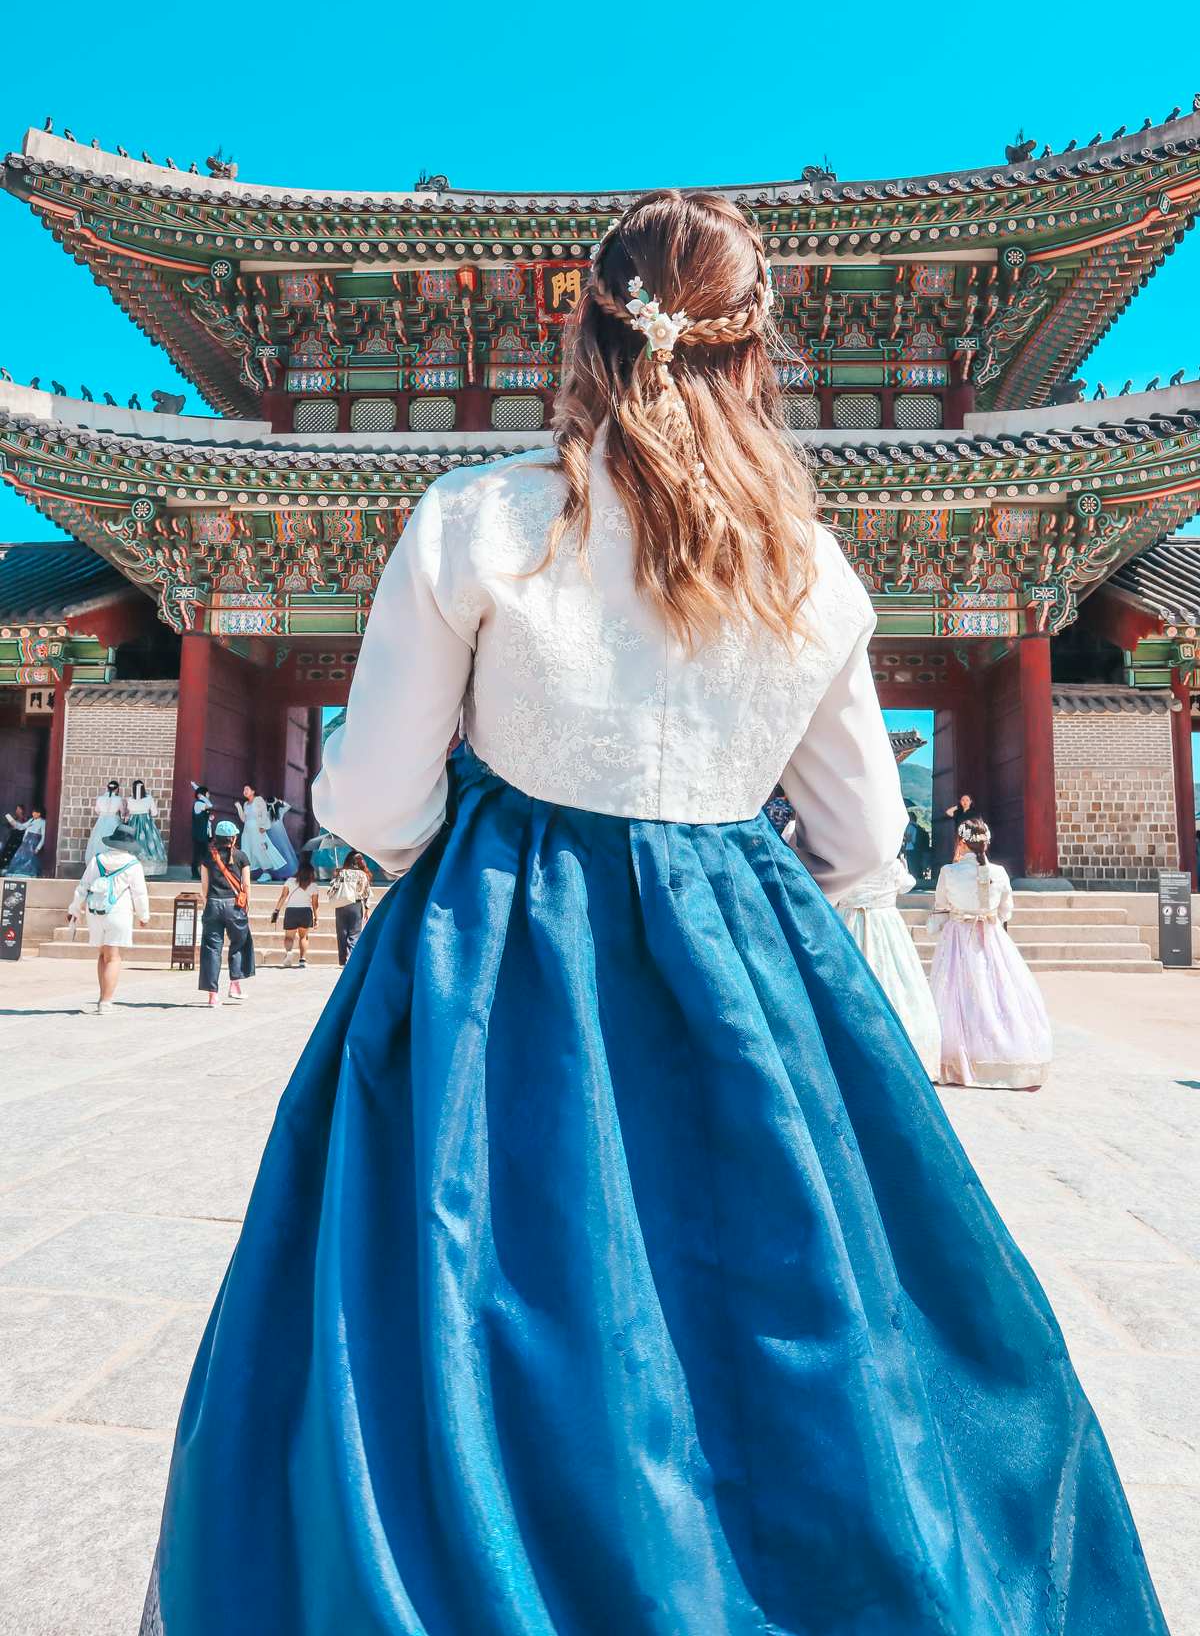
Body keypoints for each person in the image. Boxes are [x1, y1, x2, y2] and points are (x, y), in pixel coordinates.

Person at [141, 191, 1165, 1635]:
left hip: (492, 974)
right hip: (745, 979)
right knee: (792, 1327)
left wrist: (483, 846)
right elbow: (868, 838)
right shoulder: (813, 570)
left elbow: (368, 802)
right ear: (758, 355)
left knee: (453, 1316)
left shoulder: (477, 523)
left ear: (585, 332)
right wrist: (729, 892)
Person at [928, 816, 1054, 1091]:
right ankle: (1002, 1055)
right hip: (991, 935)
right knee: (999, 993)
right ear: (987, 842)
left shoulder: (949, 872)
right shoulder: (999, 872)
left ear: (961, 842)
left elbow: (940, 906)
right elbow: (1006, 911)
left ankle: (956, 1058)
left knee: (956, 995)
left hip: (959, 937)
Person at [837, 856, 941, 1079]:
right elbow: (907, 884)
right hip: (885, 924)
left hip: (849, 922)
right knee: (897, 983)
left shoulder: (846, 861)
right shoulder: (890, 864)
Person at [66, 823, 151, 1014]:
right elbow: (140, 894)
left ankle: (101, 997)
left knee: (103, 955)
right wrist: (143, 915)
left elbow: (83, 887)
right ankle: (106, 1001)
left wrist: (74, 909)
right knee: (113, 957)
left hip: (95, 911)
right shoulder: (133, 864)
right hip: (119, 911)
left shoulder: (98, 860)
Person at [198, 819, 255, 1009]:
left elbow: (204, 887)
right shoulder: (241, 857)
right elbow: (246, 885)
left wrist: (207, 904)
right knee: (240, 943)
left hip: (213, 904)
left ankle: (213, 996)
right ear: (234, 838)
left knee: (211, 950)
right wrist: (247, 905)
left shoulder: (207, 857)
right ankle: (235, 984)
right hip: (234, 906)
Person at [326, 849, 372, 964]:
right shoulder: (362, 874)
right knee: (355, 932)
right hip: (355, 905)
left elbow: (331, 889)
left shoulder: (342, 872)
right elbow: (366, 892)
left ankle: (342, 960)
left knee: (342, 933)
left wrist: (335, 875)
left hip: (341, 904)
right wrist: (367, 908)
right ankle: (351, 960)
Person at [271, 860, 320, 967]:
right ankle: (302, 960)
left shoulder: (290, 881)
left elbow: (283, 896)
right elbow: (315, 904)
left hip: (291, 911)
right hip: (306, 912)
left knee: (289, 937)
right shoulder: (313, 885)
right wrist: (316, 918)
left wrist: (276, 910)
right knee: (303, 937)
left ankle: (289, 953)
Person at [236, 783, 285, 882]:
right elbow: (243, 819)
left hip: (257, 830)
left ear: (253, 791)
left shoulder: (258, 800)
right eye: (244, 790)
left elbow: (264, 813)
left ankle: (266, 873)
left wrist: (264, 826)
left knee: (260, 850)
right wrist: (238, 807)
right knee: (246, 850)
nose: (245, 791)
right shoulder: (245, 804)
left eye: (247, 789)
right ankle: (245, 874)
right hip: (247, 831)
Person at [126, 778, 168, 878]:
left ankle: (130, 866)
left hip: (133, 823)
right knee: (149, 842)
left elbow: (128, 813)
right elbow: (154, 812)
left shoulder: (129, 799)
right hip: (146, 823)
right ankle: (149, 868)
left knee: (131, 842)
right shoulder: (148, 798)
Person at [83, 780, 124, 863]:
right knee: (113, 842)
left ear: (107, 788)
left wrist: (104, 813)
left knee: (97, 840)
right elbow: (122, 812)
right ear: (116, 789)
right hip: (113, 821)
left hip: (101, 821)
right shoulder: (118, 799)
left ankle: (96, 862)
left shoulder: (100, 798)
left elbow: (97, 810)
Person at [3, 805, 46, 876]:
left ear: (40, 813)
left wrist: (38, 848)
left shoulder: (43, 822)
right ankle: (18, 873)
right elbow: (21, 827)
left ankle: (30, 874)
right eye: (33, 812)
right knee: (19, 857)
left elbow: (43, 836)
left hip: (33, 843)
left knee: (31, 861)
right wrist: (11, 820)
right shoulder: (31, 820)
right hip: (26, 843)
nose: (33, 814)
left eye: (36, 812)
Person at [265, 795, 300, 879]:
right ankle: (286, 873)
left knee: (272, 855)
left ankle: (274, 874)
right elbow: (288, 806)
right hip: (281, 835)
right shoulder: (280, 810)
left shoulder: (264, 812)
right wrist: (279, 801)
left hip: (269, 835)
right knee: (284, 853)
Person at [189, 782, 214, 881]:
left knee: (202, 854)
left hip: (203, 833)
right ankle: (196, 873)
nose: (209, 795)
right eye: (207, 793)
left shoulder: (201, 804)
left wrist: (209, 818)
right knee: (199, 854)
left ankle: (202, 873)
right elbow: (210, 805)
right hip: (199, 834)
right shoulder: (199, 803)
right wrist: (201, 794)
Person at [0, 803, 26, 873]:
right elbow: (8, 825)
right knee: (6, 852)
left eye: (19, 809)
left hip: (19, 837)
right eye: (17, 809)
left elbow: (21, 827)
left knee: (14, 853)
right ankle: (3, 868)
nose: (17, 811)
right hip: (12, 837)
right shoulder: (14, 817)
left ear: (22, 810)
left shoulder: (25, 819)